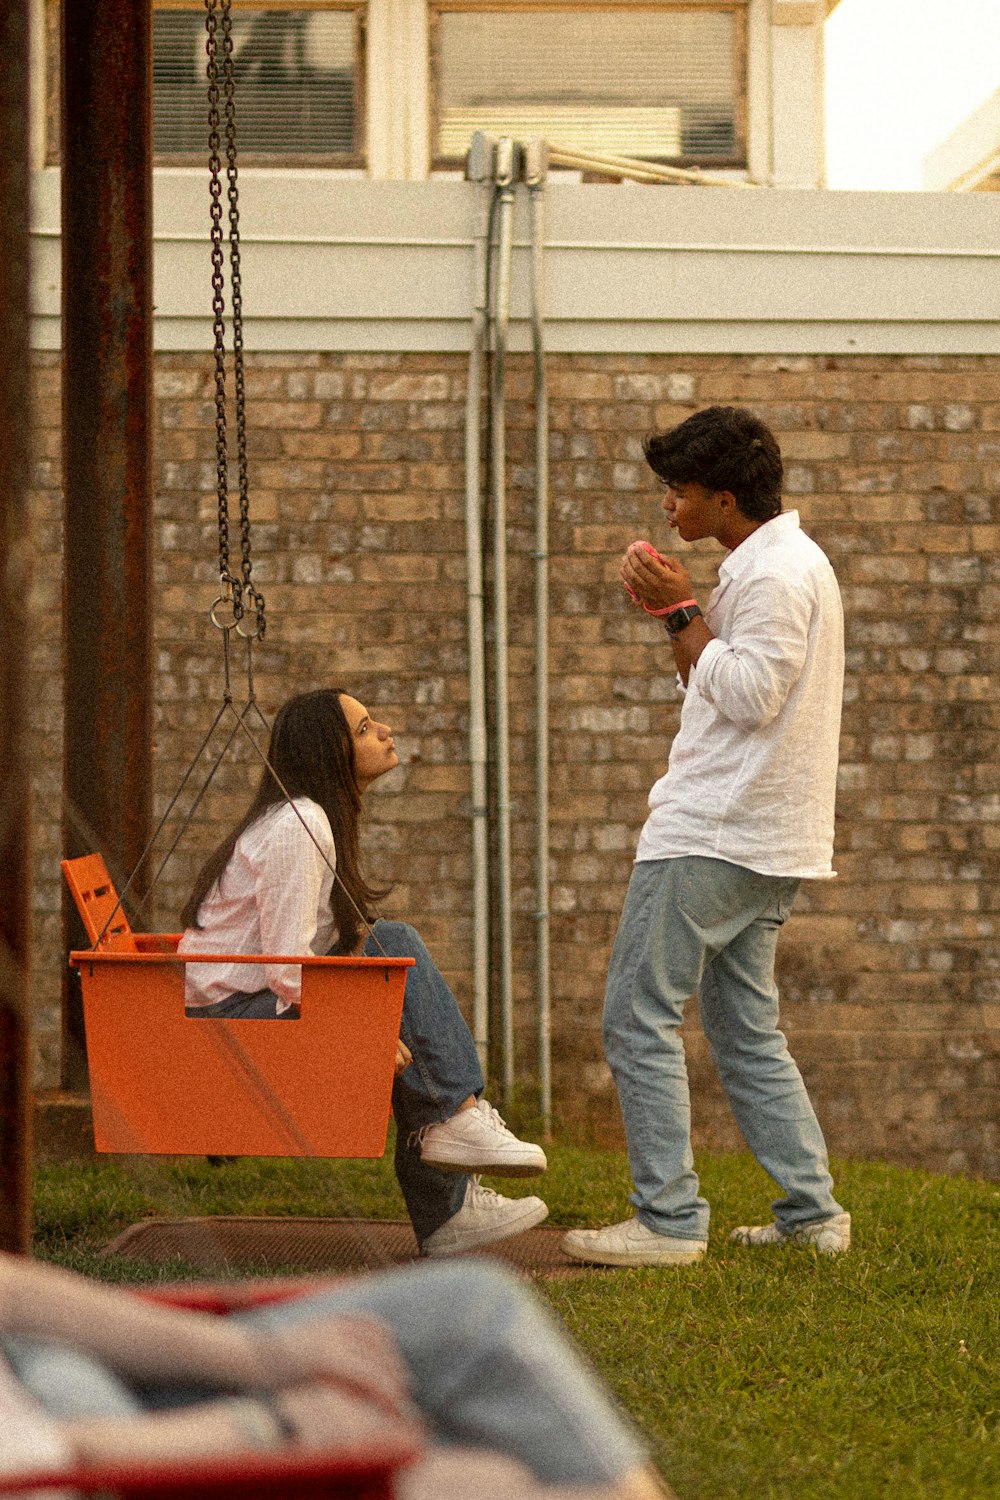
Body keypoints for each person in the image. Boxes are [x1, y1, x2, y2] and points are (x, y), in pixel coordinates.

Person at [561, 405, 850, 1268]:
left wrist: (679, 607)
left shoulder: (771, 577)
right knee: (744, 1028)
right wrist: (684, 614)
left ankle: (667, 1222)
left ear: (724, 499)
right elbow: (725, 682)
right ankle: (811, 1215)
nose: (667, 508)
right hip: (766, 836)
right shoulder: (784, 563)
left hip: (715, 831)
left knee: (635, 1017)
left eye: (677, 492)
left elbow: (752, 693)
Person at [177, 687, 548, 1258]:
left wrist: (367, 1020)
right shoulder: (302, 823)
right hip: (230, 1019)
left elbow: (300, 960)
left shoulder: (306, 818)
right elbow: (285, 967)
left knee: (383, 947)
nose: (384, 731)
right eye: (363, 728)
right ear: (330, 752)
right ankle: (454, 1135)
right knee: (389, 944)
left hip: (247, 1000)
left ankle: (449, 1198)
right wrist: (354, 1030)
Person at [0, 1252, 672, 1499]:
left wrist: (252, 1357)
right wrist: (274, 1430)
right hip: (79, 1467)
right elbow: (53, 1459)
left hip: (47, 1370)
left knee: (471, 1308)